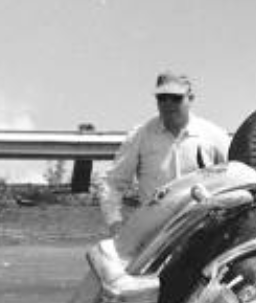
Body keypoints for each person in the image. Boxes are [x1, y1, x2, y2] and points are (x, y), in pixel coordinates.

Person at [98, 72, 230, 236]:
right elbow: (112, 184)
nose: (168, 103)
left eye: (176, 98)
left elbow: (238, 178)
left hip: (204, 232)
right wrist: (115, 225)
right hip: (154, 237)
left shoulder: (215, 135)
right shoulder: (140, 135)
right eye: (162, 97)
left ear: (191, 98)